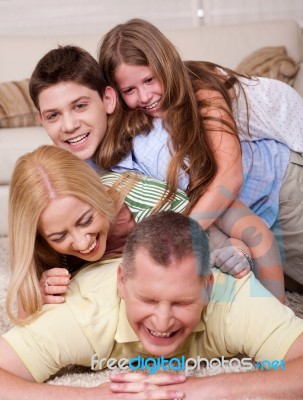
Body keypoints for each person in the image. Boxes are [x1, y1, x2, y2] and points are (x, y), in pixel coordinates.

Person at [28, 45, 288, 297]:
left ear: (108, 99)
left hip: (281, 191)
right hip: (245, 216)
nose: (70, 125)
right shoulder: (67, 173)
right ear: (41, 119)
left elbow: (242, 224)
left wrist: (237, 252)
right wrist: (44, 280)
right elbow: (48, 241)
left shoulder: (152, 150)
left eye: (80, 106)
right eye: (53, 115)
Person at [1, 211, 303, 399]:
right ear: (122, 282)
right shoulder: (84, 314)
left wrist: (206, 389)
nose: (162, 321)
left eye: (181, 302)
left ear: (207, 287)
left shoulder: (233, 297)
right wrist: (94, 397)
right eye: (147, 300)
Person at [97, 18, 303, 289]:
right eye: (130, 90)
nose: (145, 96)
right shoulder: (137, 123)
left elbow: (230, 175)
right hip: (249, 204)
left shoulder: (202, 89)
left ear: (165, 65)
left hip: (283, 183)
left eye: (149, 79)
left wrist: (180, 233)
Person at [8, 144, 258, 323]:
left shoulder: (148, 201)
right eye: (59, 237)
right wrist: (38, 293)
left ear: (97, 193)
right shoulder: (44, 245)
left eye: (86, 220)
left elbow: (232, 242)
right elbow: (22, 323)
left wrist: (237, 254)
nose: (82, 242)